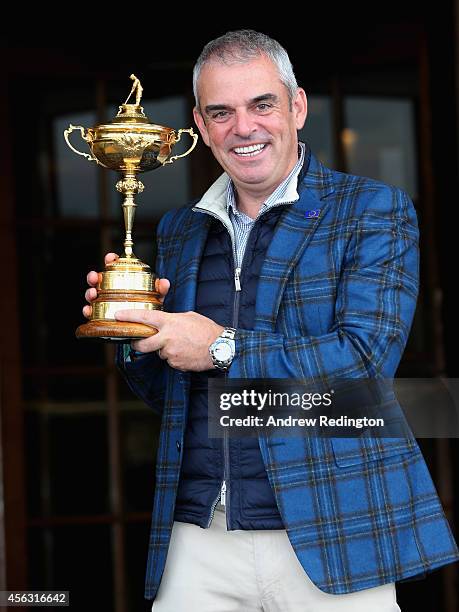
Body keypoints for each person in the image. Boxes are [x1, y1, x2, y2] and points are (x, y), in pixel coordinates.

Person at [83, 30, 459, 611]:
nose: (244, 127)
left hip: (333, 529)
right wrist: (136, 331)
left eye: (262, 104)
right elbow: (173, 396)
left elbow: (363, 365)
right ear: (201, 128)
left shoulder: (371, 211)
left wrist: (222, 348)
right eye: (221, 112)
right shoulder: (181, 229)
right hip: (200, 532)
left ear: (297, 107)